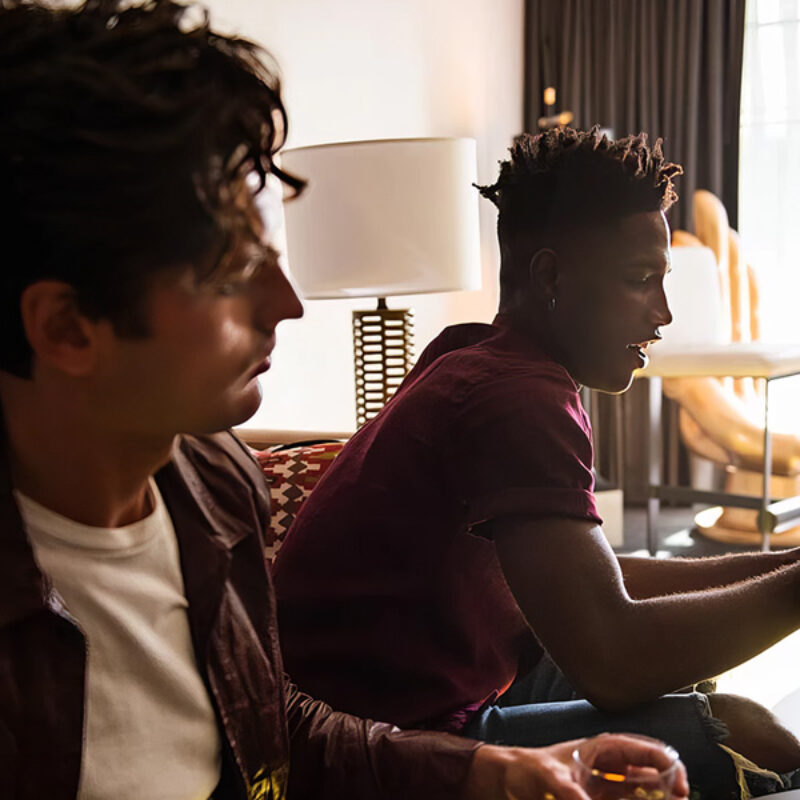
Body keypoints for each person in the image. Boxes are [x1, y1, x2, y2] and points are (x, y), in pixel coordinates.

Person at [0, 2, 693, 799]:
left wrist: (494, 771)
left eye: (272, 255)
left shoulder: (212, 488)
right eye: (231, 270)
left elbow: (271, 729)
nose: (287, 303)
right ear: (67, 328)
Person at [272, 128, 800, 797]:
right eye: (641, 281)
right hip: (384, 742)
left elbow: (595, 580)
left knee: (694, 657)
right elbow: (613, 660)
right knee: (750, 732)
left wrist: (788, 565)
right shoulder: (515, 399)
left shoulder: (472, 357)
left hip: (434, 683)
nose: (663, 314)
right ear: (550, 275)